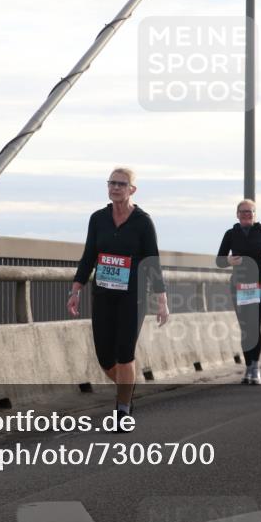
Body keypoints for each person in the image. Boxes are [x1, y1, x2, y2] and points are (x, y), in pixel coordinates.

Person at [68, 167, 169, 419]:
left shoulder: (143, 222)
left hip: (133, 296)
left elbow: (152, 261)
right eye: (111, 183)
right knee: (105, 358)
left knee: (125, 353)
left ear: (132, 189)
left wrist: (162, 299)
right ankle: (127, 388)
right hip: (102, 294)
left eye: (121, 184)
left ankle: (122, 408)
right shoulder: (98, 219)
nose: (115, 187)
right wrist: (76, 289)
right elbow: (89, 256)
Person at [216, 199, 261, 384]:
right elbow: (219, 260)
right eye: (242, 211)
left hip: (259, 285)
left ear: (255, 215)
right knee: (245, 329)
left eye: (250, 212)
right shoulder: (231, 234)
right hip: (239, 286)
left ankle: (255, 368)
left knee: (254, 326)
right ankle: (248, 367)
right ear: (237, 214)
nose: (246, 214)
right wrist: (229, 261)